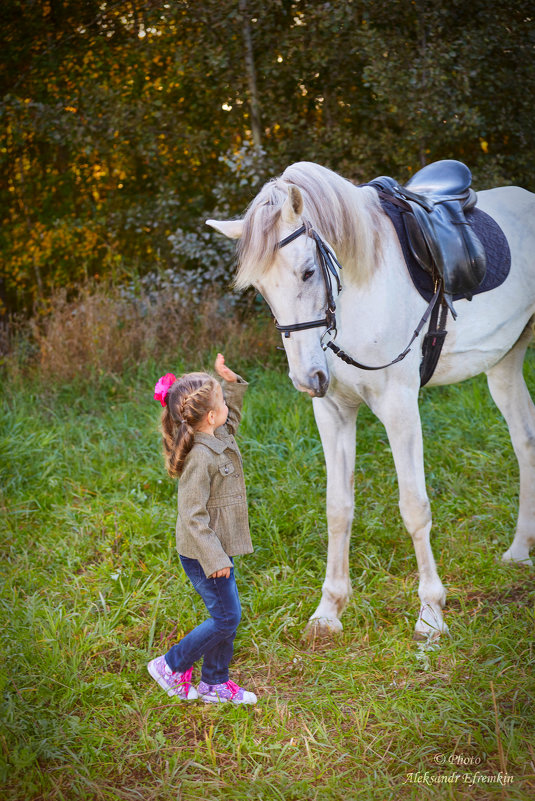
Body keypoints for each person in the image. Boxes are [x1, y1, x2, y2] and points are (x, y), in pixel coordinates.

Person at [147, 354, 257, 705]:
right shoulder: (201, 457)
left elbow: (232, 418)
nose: (226, 407)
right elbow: (192, 515)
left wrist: (231, 384)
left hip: (217, 548)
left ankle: (213, 683)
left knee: (225, 615)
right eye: (221, 403)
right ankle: (170, 665)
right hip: (203, 552)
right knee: (227, 618)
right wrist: (214, 558)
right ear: (210, 416)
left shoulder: (217, 434)